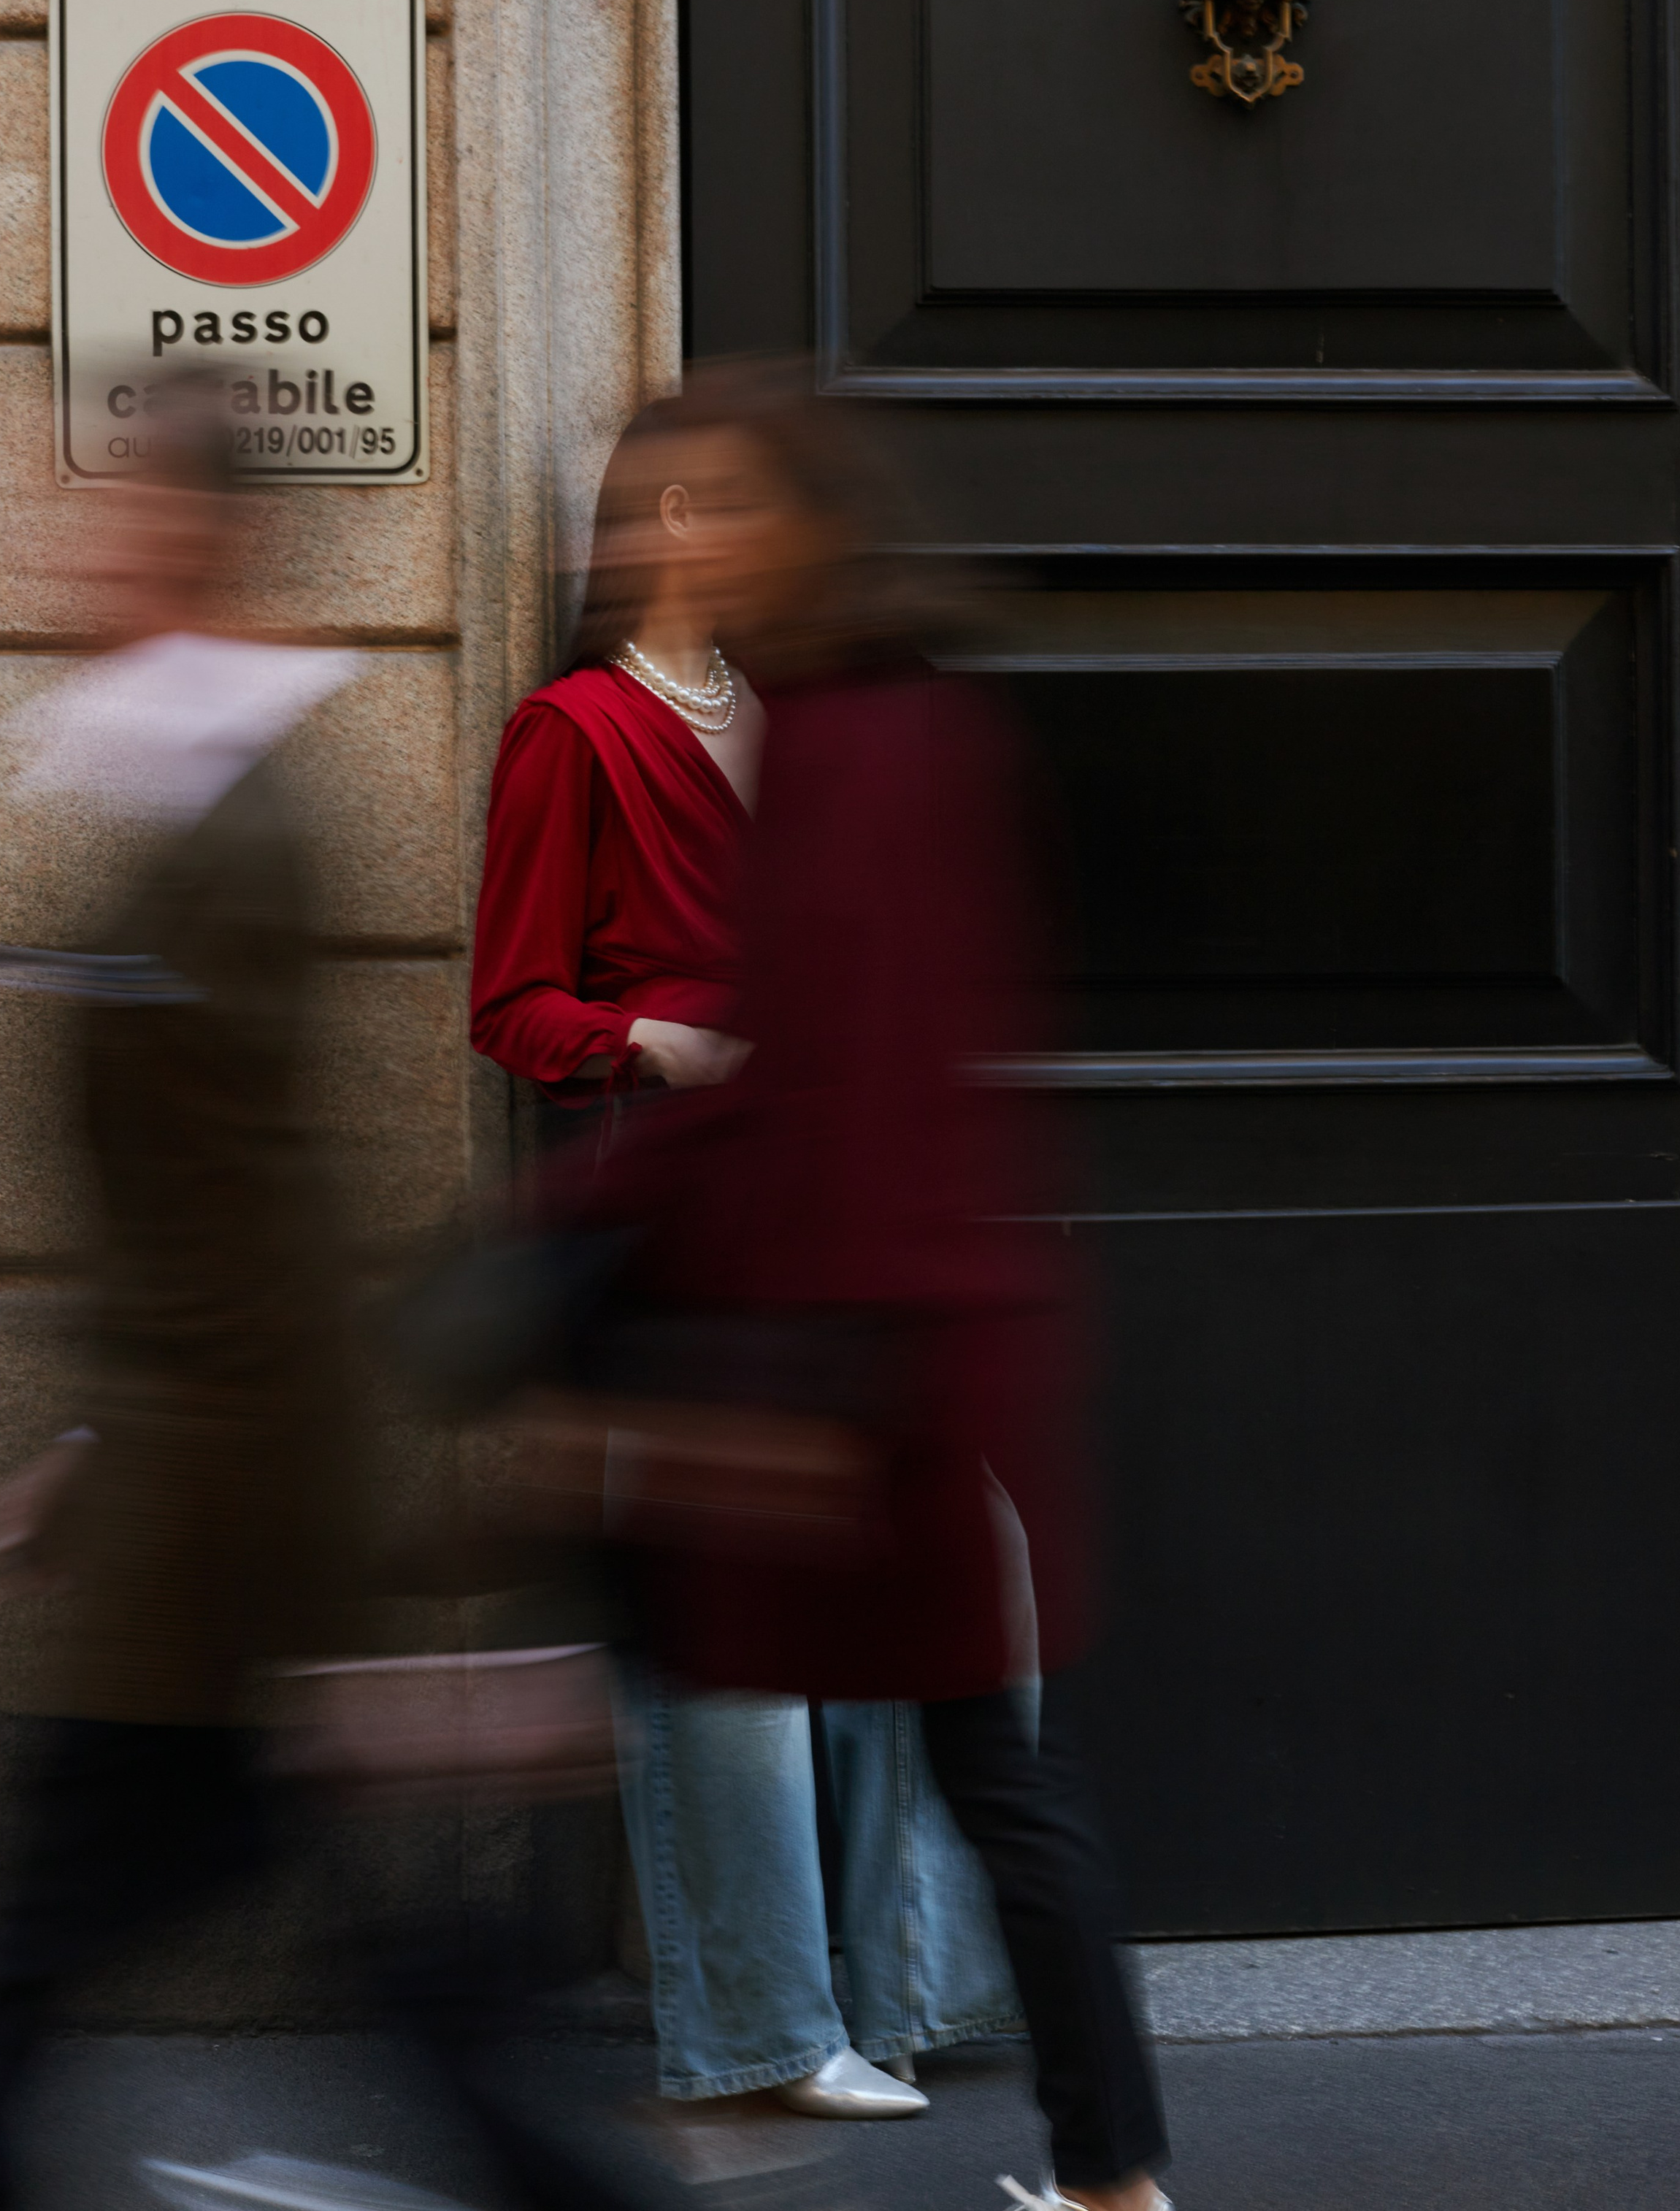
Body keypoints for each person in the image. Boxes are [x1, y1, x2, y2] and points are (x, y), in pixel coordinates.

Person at [564, 362, 1172, 2211]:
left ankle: (830, 2091)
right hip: (879, 1333)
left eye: (734, 501)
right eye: (672, 507)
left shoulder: (859, 743)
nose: (694, 538)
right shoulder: (859, 726)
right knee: (978, 1761)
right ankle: (1077, 2164)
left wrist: (574, 1257)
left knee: (946, 1752)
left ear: (808, 523)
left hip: (862, 1346)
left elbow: (839, 1068)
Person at [469, 408, 1024, 2113]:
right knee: (733, 1646)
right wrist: (657, 1043)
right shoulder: (571, 734)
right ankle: (770, 2033)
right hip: (675, 1219)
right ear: (682, 517)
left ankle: (908, 1987)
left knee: (923, 1578)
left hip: (830, 1211)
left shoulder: (814, 716)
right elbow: (511, 1003)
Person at [0, 394, 371, 2211]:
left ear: (195, 549)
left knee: (55, 1911)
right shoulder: (158, 782)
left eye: (104, 528)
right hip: (200, 1470)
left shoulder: (235, 823)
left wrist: (135, 1461)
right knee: (227, 1890)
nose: (66, 560)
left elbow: (242, 1215)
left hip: (223, 1486)